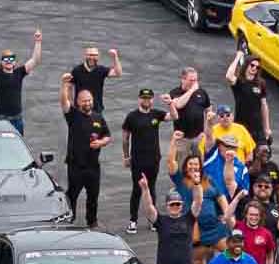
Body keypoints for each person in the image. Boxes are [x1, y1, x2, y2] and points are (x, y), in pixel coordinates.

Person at [59, 75, 112, 229]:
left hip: (93, 166)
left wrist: (101, 142)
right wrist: (64, 86)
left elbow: (107, 136)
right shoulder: (73, 115)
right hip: (76, 165)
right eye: (84, 100)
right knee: (72, 195)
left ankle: (92, 221)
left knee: (93, 196)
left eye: (89, 100)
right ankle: (70, 219)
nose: (87, 103)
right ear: (78, 102)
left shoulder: (98, 117)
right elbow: (64, 102)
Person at [0, 26, 40, 134]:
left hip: (16, 120)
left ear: (14, 62)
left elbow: (35, 60)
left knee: (17, 147)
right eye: (6, 59)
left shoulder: (19, 73)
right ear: (1, 62)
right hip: (0, 121)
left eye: (11, 59)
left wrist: (38, 42)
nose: (9, 61)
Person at [139, 176, 196, 264]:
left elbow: (199, 202)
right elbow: (148, 208)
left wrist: (197, 184)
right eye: (172, 204)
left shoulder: (189, 218)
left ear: (182, 205)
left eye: (178, 204)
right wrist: (145, 189)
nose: (175, 206)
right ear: (166, 205)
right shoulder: (161, 221)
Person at [121, 87, 168, 234]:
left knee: (152, 188)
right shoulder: (132, 117)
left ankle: (152, 220)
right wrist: (126, 156)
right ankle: (133, 221)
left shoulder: (156, 114)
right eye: (143, 98)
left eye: (149, 98)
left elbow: (174, 116)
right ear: (139, 99)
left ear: (152, 100)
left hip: (154, 159)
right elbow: (125, 138)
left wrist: (171, 103)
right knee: (137, 189)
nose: (146, 100)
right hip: (137, 160)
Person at [166, 66, 210, 168]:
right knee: (181, 166)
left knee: (201, 166)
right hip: (182, 139)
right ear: (183, 79)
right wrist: (191, 90)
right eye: (191, 80)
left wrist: (206, 131)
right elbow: (178, 105)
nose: (194, 83)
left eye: (196, 80)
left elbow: (208, 110)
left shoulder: (202, 93)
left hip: (199, 137)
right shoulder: (174, 93)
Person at [226, 49, 271, 146]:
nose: (254, 68)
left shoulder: (260, 83)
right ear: (246, 65)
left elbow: (264, 106)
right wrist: (238, 57)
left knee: (261, 153)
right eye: (252, 65)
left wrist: (267, 128)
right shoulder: (239, 82)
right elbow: (229, 76)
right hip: (241, 125)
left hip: (257, 127)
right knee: (242, 153)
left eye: (257, 67)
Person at [236, 200, 276, 264]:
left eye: (256, 215)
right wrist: (238, 198)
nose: (254, 218)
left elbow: (270, 255)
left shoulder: (266, 233)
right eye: (251, 214)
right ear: (246, 215)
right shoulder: (238, 227)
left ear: (260, 216)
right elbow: (227, 217)